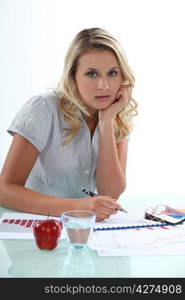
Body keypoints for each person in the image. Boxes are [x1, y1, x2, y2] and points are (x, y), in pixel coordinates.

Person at [0, 27, 138, 221]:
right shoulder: (43, 109)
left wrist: (106, 122)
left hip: (79, 230)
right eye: (92, 74)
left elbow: (110, 193)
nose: (103, 86)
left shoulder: (118, 114)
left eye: (112, 73)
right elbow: (5, 191)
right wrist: (77, 207)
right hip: (32, 226)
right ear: (73, 76)